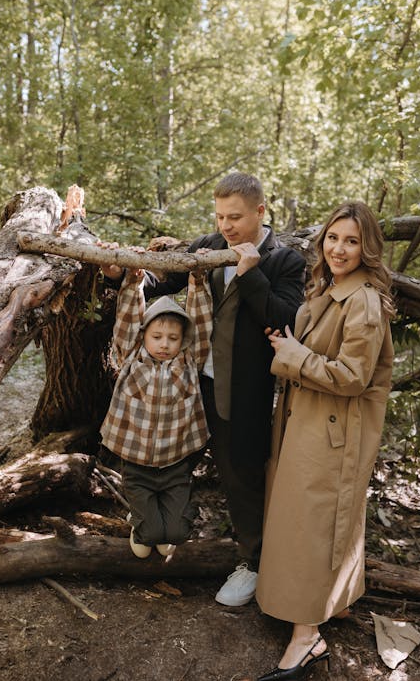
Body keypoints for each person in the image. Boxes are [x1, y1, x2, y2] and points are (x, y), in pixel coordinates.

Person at [144, 172, 306, 605]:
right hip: (191, 384)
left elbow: (284, 321)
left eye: (234, 217)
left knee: (242, 477)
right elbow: (161, 285)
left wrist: (252, 276)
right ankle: (155, 529)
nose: (225, 226)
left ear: (259, 211)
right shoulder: (209, 246)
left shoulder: (283, 261)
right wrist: (121, 273)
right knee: (166, 456)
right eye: (219, 216)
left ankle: (253, 563)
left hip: (246, 392)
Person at [255, 201, 395, 680]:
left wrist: (294, 355)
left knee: (314, 525)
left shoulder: (366, 301)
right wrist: (292, 346)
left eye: (351, 241)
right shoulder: (331, 287)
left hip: (334, 431)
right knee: (306, 519)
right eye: (333, 238)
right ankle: (329, 603)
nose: (339, 248)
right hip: (309, 420)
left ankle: (306, 639)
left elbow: (354, 376)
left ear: (367, 248)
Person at [99, 262, 209, 559]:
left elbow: (201, 323)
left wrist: (197, 283)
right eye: (157, 337)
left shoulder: (188, 360)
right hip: (137, 465)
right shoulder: (132, 356)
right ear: (144, 335)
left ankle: (159, 519)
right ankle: (143, 522)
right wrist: (133, 284)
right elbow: (127, 320)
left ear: (182, 340)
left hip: (175, 465)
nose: (164, 344)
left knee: (174, 534)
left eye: (173, 338)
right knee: (148, 540)